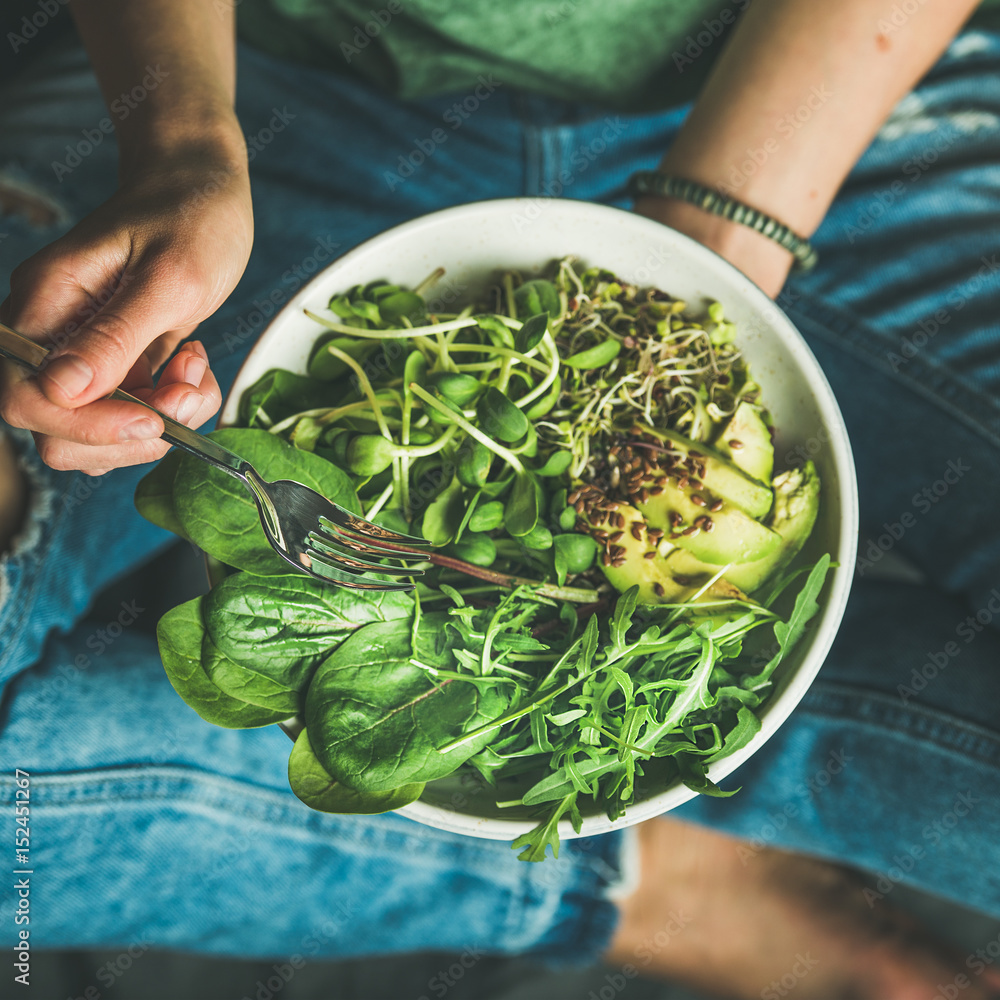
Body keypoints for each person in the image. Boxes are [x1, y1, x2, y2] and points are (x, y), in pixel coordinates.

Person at [1, 1, 999, 997]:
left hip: (824, 93)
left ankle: (711, 765)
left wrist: (711, 246)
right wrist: (179, 142)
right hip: (260, 90)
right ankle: (633, 874)